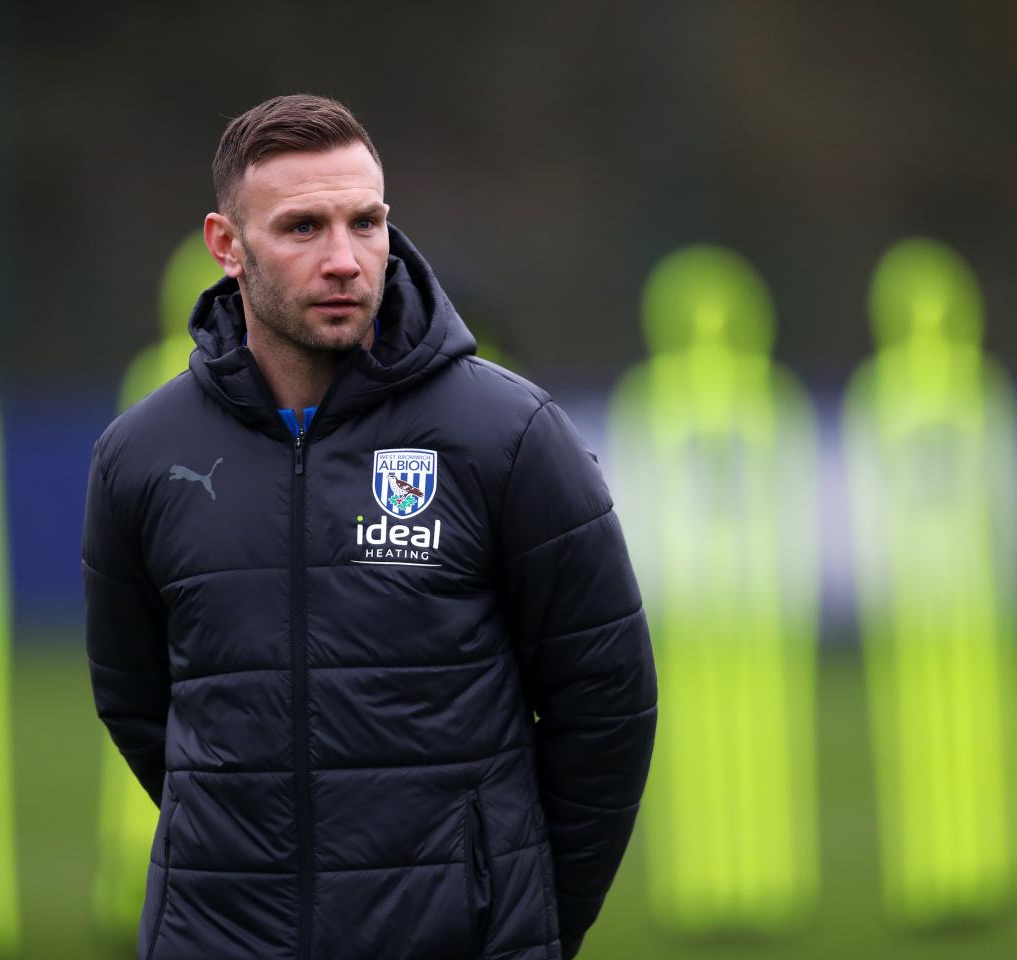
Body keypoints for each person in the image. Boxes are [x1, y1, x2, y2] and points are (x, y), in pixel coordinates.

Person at [83, 93, 656, 960]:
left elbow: (605, 701)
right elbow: (136, 701)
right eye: (304, 227)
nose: (346, 259)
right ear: (226, 246)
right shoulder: (142, 455)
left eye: (367, 221)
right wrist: (242, 860)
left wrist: (523, 913)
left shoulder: (509, 436)